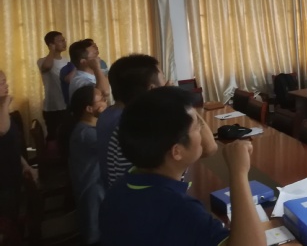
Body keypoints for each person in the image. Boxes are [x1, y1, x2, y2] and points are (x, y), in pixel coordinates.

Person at [99, 86, 266, 246]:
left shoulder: (118, 190)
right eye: (197, 127)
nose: (202, 130)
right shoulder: (179, 209)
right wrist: (239, 172)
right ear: (177, 151)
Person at [98, 54, 167, 188]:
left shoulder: (108, 114)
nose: (167, 82)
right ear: (152, 89)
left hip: (114, 191)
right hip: (133, 193)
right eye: (163, 77)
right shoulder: (132, 123)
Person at [64, 85, 107, 246]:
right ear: (89, 108)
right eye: (101, 99)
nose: (105, 100)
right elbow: (114, 141)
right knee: (96, 236)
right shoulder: (85, 134)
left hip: (94, 190)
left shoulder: (89, 128)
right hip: (91, 193)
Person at [0, 69, 37, 224]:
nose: (6, 85)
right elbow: (2, 130)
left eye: (5, 81)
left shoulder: (3, 111)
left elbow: (12, 145)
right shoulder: (2, 111)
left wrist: (25, 165)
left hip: (13, 174)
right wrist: (5, 104)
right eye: (2, 83)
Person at [37, 31, 69, 141]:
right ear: (51, 44)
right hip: (53, 107)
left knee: (65, 137)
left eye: (64, 40)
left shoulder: (67, 61)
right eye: (60, 41)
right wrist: (52, 51)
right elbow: (47, 67)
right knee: (54, 138)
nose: (64, 42)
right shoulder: (42, 61)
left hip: (66, 104)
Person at [60, 39, 109, 105]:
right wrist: (97, 68)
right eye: (95, 56)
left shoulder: (96, 74)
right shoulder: (78, 81)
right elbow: (105, 92)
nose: (99, 59)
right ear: (83, 62)